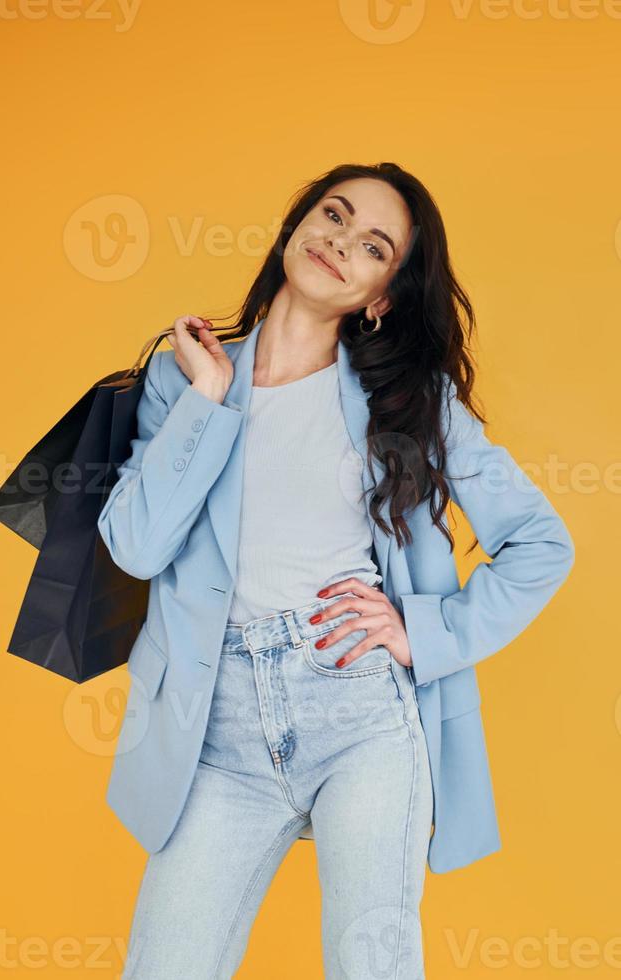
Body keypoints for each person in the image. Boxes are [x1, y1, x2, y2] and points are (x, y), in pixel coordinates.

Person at [98, 162, 575, 979]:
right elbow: (136, 547)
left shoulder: (410, 401)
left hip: (358, 714)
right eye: (332, 214)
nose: (339, 242)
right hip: (216, 730)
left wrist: (424, 630)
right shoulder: (186, 374)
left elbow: (542, 543)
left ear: (380, 295)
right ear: (295, 225)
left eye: (373, 245)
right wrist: (209, 401)